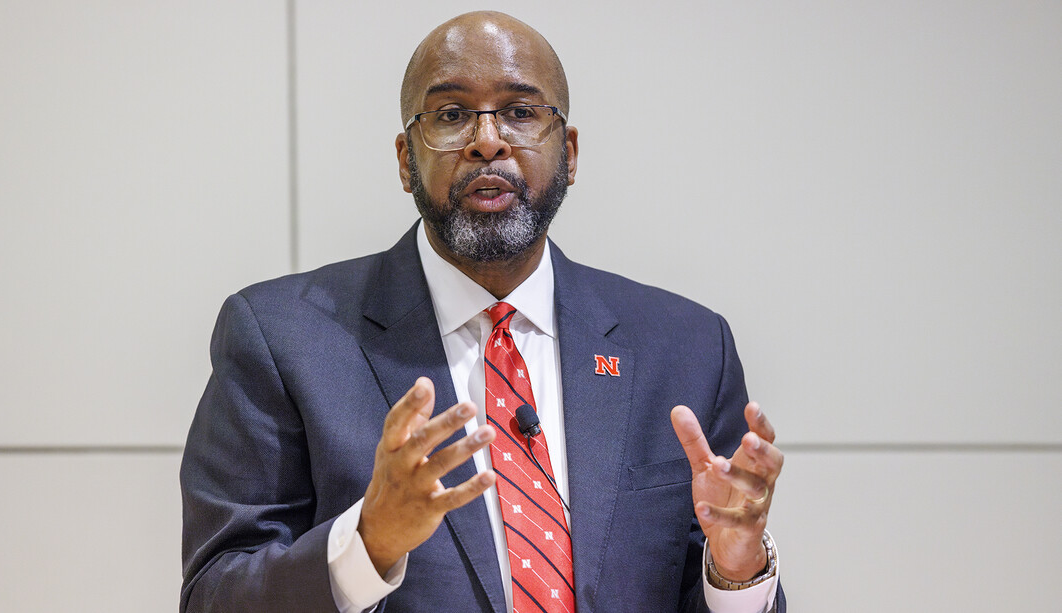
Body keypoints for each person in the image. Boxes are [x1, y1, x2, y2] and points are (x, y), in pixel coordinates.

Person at [181, 11, 785, 613]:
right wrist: (369, 544)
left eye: (521, 112)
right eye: (449, 115)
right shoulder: (283, 339)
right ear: (404, 160)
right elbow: (215, 596)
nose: (487, 140)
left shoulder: (685, 348)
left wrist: (736, 570)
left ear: (569, 154)